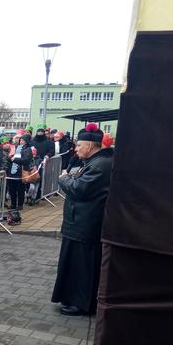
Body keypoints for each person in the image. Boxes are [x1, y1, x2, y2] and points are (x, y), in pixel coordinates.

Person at [51, 124, 114, 316]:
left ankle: (82, 303)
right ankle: (72, 298)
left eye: (79, 145)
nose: (76, 149)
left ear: (90, 145)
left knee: (83, 267)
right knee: (75, 264)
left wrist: (63, 178)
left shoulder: (100, 165)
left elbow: (79, 189)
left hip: (85, 224)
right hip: (79, 222)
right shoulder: (95, 162)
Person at [7, 134, 33, 224]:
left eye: (23, 140)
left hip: (20, 172)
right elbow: (9, 157)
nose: (21, 141)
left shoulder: (28, 149)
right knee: (12, 190)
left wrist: (14, 160)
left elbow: (26, 160)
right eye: (20, 140)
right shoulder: (15, 148)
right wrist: (10, 158)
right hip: (12, 172)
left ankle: (20, 204)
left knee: (20, 189)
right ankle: (13, 204)